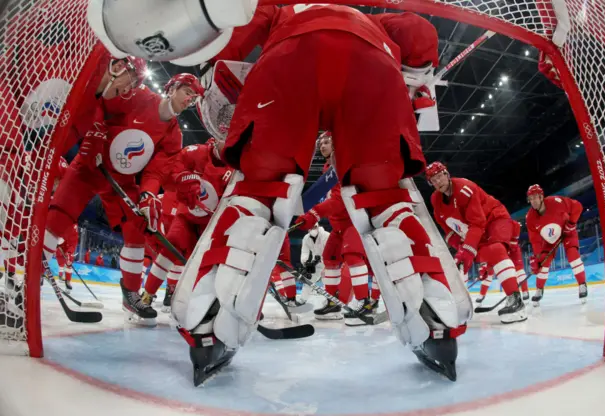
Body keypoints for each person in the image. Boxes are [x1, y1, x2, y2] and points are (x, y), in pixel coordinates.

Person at [90, 3, 471, 385]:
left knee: (259, 193)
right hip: (372, 64)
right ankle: (438, 324)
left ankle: (207, 327)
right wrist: (413, 79)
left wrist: (219, 70)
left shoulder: (281, 7)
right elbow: (420, 32)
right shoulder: (374, 18)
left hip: (289, 59)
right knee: (384, 198)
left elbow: (236, 32)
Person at [41, 73, 204, 326]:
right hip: (88, 167)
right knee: (57, 219)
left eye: (194, 99)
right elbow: (101, 107)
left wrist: (148, 193)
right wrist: (93, 138)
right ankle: (24, 282)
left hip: (121, 180)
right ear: (171, 89)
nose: (190, 101)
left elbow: (156, 170)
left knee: (136, 228)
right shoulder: (138, 95)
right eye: (187, 93)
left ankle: (131, 295)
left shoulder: (174, 135)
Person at [427, 161, 527, 324]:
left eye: (439, 177)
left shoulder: (465, 188)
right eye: (433, 180)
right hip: (476, 229)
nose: (438, 182)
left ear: (446, 174)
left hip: (495, 218)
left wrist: (467, 249)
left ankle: (516, 301)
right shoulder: (435, 200)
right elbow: (450, 231)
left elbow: (478, 223)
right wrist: (461, 249)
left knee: (495, 250)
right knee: (477, 256)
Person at [142, 140, 233, 314]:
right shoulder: (196, 152)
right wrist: (183, 177)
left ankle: (211, 304)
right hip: (187, 217)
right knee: (170, 248)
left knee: (211, 263)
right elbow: (174, 166)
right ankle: (147, 295)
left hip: (212, 225)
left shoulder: (237, 168)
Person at [295, 132, 378, 323]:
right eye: (320, 143)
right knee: (329, 257)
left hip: (353, 222)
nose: (322, 145)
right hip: (338, 226)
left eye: (327, 142)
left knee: (353, 257)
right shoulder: (328, 167)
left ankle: (364, 304)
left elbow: (341, 201)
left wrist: (314, 213)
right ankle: (333, 303)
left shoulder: (343, 164)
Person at [525, 184, 587, 305]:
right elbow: (535, 240)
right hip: (548, 240)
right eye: (530, 199)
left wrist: (571, 223)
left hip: (566, 231)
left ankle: (582, 284)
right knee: (543, 263)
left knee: (573, 256)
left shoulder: (556, 202)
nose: (533, 201)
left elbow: (577, 207)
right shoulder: (530, 217)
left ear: (541, 196)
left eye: (535, 197)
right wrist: (538, 259)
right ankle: (539, 289)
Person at [299, 223, 330, 303]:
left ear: (318, 226)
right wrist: (306, 263)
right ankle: (302, 300)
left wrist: (326, 264)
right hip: (315, 263)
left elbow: (330, 251)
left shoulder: (327, 235)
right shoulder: (306, 238)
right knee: (308, 280)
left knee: (328, 282)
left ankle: (330, 302)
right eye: (310, 227)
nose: (312, 229)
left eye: (314, 227)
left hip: (329, 263)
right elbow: (304, 252)